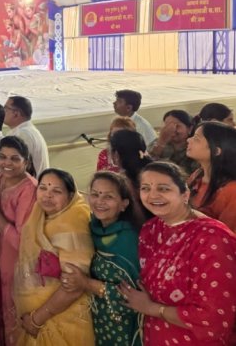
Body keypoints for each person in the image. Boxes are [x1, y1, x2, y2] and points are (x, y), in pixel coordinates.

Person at [121, 162, 236, 345]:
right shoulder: (151, 229)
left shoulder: (212, 239)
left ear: (185, 194)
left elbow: (214, 319)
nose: (153, 195)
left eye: (163, 188)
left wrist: (152, 308)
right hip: (156, 336)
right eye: (145, 188)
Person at [61, 171, 144, 346]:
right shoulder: (92, 227)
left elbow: (134, 297)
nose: (100, 201)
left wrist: (86, 283)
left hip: (125, 327)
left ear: (124, 204)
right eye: (95, 194)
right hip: (98, 319)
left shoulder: (128, 240)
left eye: (108, 196)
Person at [14, 169, 94, 345]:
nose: (47, 195)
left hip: (63, 319)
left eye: (56, 191)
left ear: (71, 195)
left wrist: (36, 319)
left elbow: (74, 286)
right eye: (43, 188)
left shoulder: (73, 223)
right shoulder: (39, 215)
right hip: (38, 316)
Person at [0, 135, 37, 346]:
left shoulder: (29, 189)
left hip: (15, 262)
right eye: (3, 157)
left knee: (12, 318)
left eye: (14, 158)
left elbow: (20, 241)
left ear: (26, 162)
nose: (7, 163)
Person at [186, 121, 236, 231]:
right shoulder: (198, 175)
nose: (188, 140)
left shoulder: (232, 191)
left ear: (216, 151)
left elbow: (227, 234)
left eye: (196, 139)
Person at [4, 96, 49, 174]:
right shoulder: (25, 131)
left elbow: (17, 169)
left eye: (5, 109)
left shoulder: (23, 134)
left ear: (16, 114)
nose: (2, 112)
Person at [147, 109, 197, 175]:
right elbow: (146, 164)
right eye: (167, 126)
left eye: (177, 126)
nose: (172, 130)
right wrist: (161, 142)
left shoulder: (196, 146)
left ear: (190, 129)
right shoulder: (158, 141)